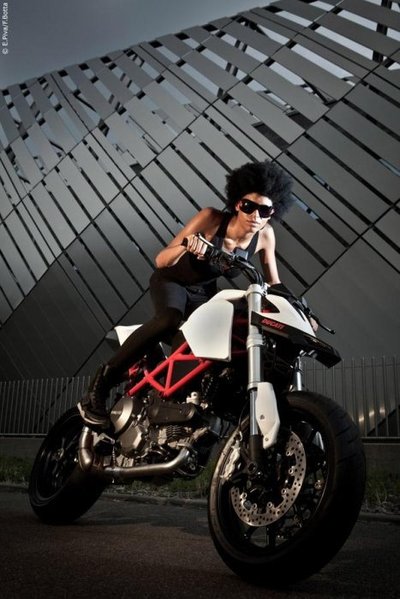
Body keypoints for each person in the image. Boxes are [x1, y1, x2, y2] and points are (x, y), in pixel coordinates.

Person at [79, 160, 294, 429]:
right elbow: (161, 260)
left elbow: (274, 283)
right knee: (169, 320)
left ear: (272, 213)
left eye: (265, 210)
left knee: (212, 342)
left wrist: (300, 310)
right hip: (173, 281)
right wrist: (186, 245)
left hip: (204, 292)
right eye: (249, 206)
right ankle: (101, 384)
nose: (256, 216)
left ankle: (174, 403)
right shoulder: (212, 219)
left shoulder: (265, 236)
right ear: (237, 204)